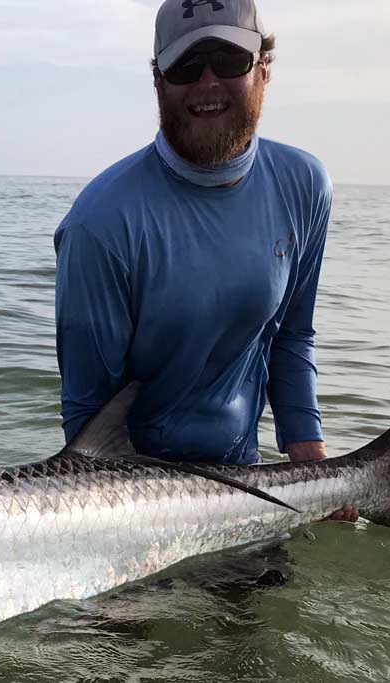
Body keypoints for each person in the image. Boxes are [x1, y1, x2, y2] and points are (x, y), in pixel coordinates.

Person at [54, 0, 357, 522]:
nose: (207, 82)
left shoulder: (305, 186)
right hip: (132, 500)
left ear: (264, 66)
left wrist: (312, 464)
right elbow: (89, 416)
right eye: (186, 67)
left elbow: (290, 335)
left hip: (249, 481)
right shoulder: (99, 225)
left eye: (229, 60)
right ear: (158, 80)